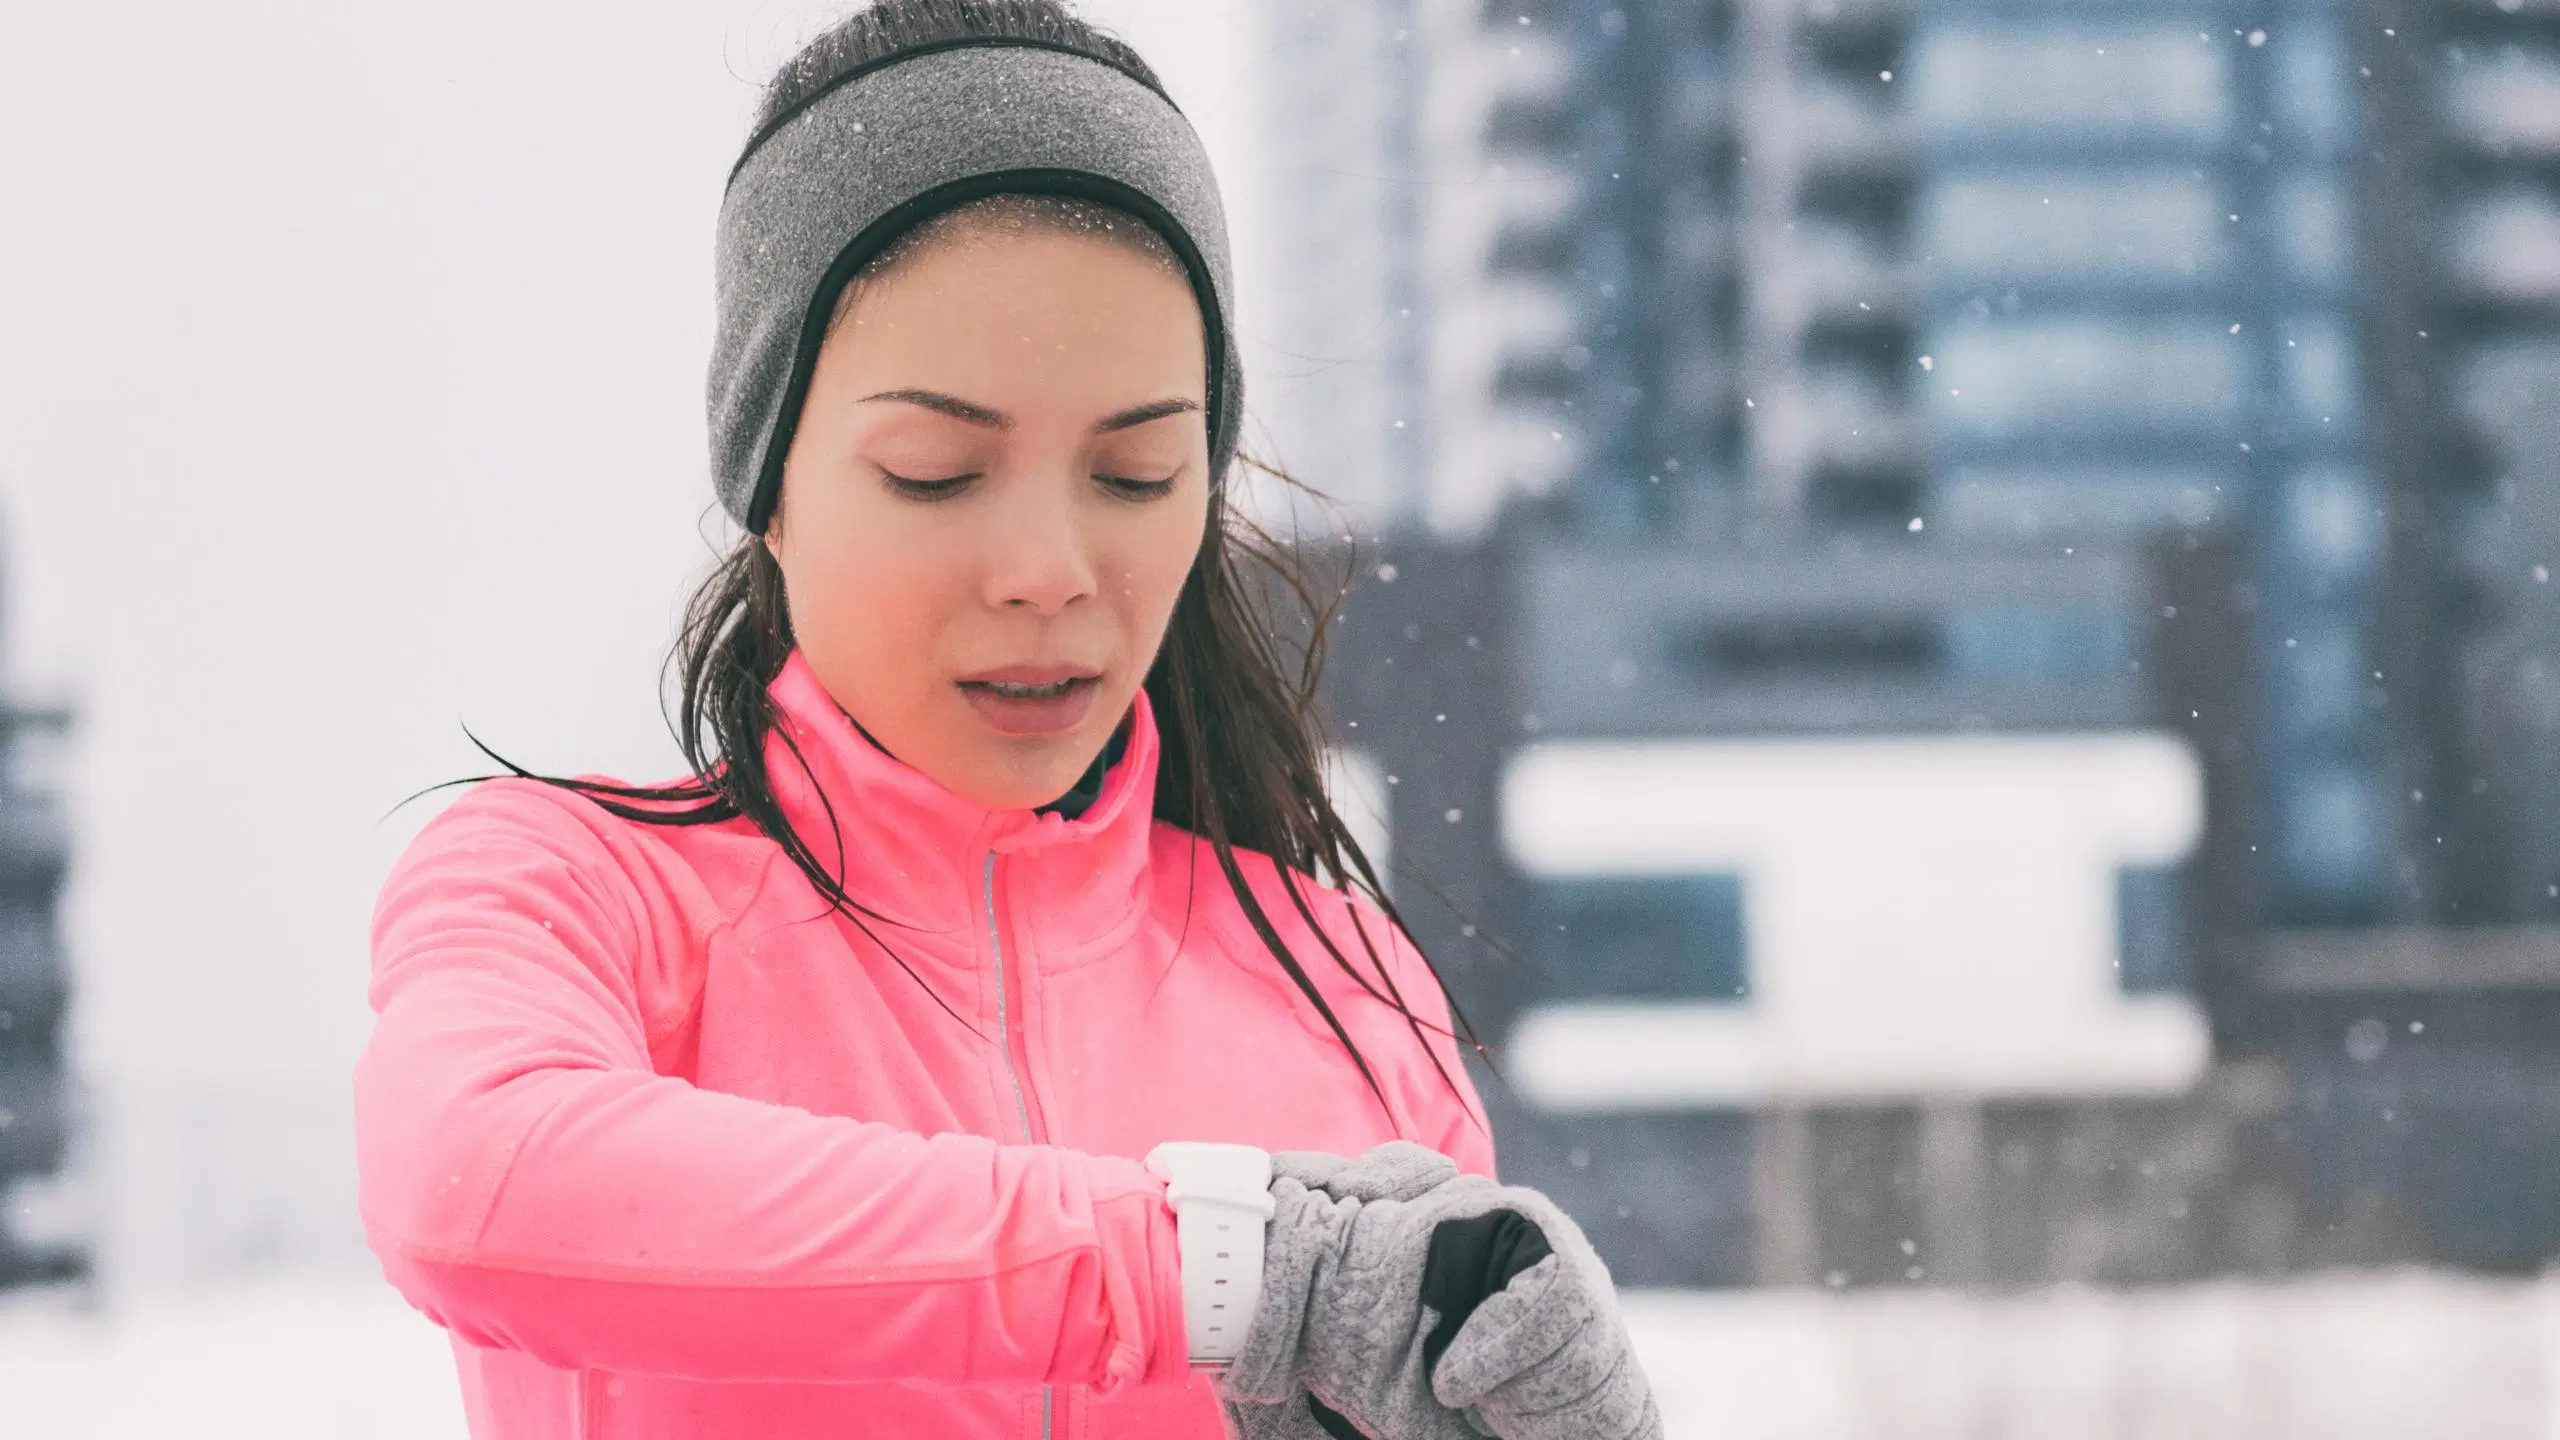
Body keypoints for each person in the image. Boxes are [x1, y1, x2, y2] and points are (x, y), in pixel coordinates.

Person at [353, 3, 1661, 1437]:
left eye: (1140, 473)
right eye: (933, 472)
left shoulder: (1342, 985)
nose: (1050, 572)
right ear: (771, 486)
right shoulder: (576, 892)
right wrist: (1205, 1266)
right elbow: (475, 1182)